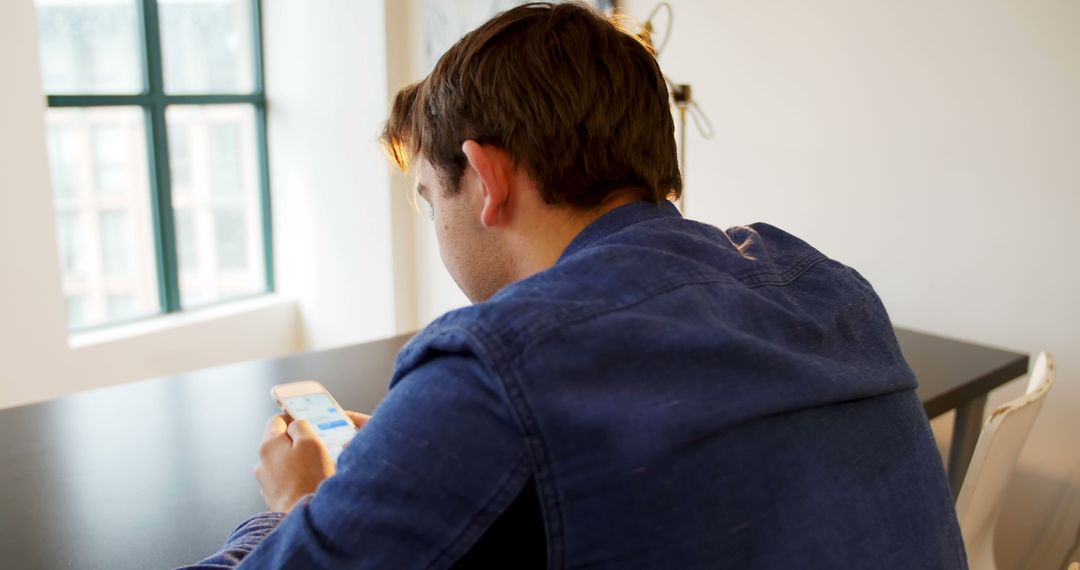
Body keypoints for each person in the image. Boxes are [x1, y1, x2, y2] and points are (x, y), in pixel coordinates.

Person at [183, 2, 966, 568]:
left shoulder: (492, 362)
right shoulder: (830, 288)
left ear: (485, 179)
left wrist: (297, 504)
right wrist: (417, 445)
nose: (435, 225)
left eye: (429, 200)